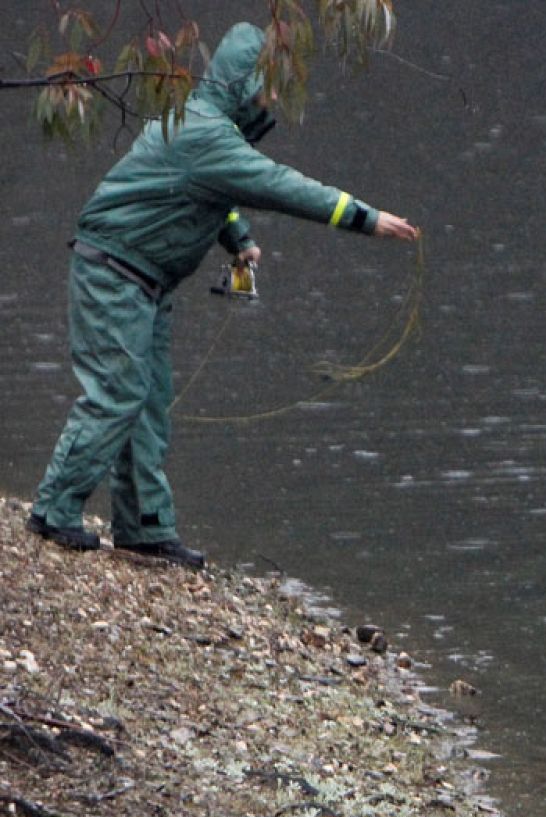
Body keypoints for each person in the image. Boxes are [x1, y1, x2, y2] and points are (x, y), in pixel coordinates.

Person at [26, 22, 419, 569]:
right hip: (114, 273)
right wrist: (364, 218)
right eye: (265, 88)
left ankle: (145, 528)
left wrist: (236, 239)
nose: (271, 100)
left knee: (148, 403)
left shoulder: (197, 125)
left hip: (144, 280)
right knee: (118, 393)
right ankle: (53, 510)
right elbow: (279, 185)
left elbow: (206, 191)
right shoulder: (206, 135)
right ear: (241, 84)